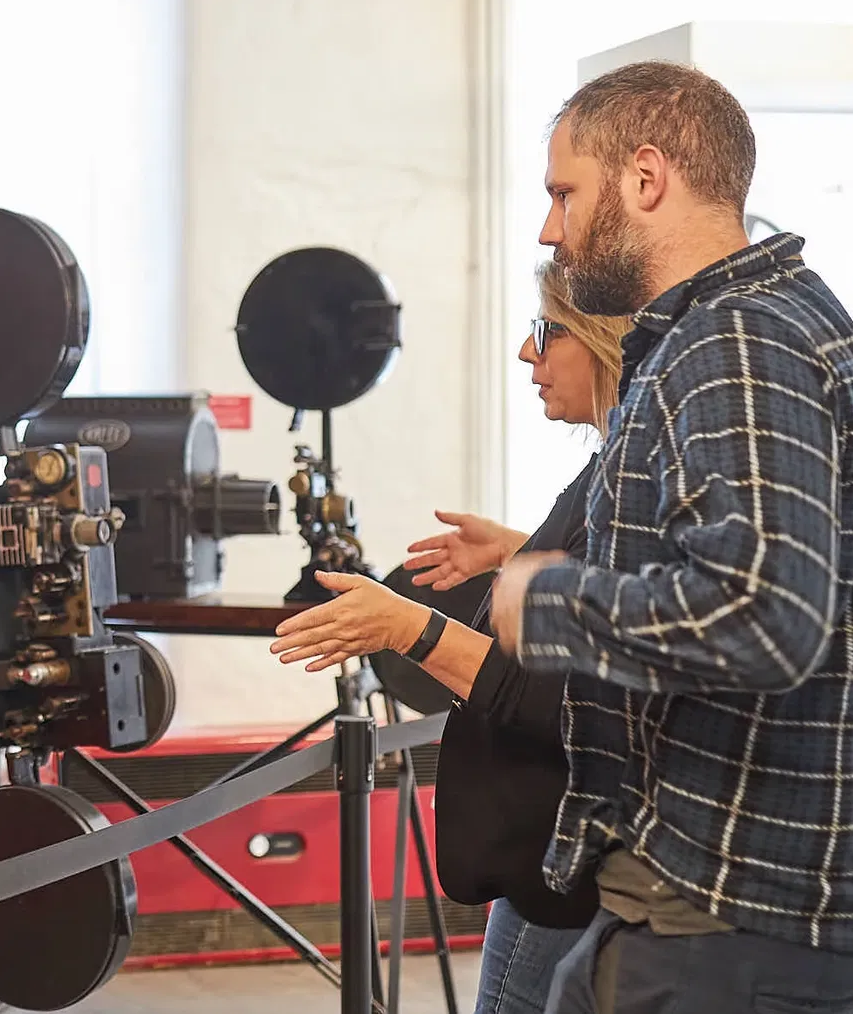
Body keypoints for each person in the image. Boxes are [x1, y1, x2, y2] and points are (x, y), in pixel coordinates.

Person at [487, 60, 853, 1014]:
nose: (550, 227)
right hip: (701, 908)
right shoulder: (749, 326)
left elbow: (764, 613)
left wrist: (547, 598)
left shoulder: (735, 340)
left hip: (731, 925)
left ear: (646, 180)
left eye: (565, 193)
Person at [270, 261, 631, 1014]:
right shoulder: (616, 466)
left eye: (545, 332)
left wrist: (406, 626)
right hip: (553, 855)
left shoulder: (633, 470)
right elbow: (597, 588)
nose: (528, 355)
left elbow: (559, 693)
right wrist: (519, 548)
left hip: (562, 865)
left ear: (604, 340)